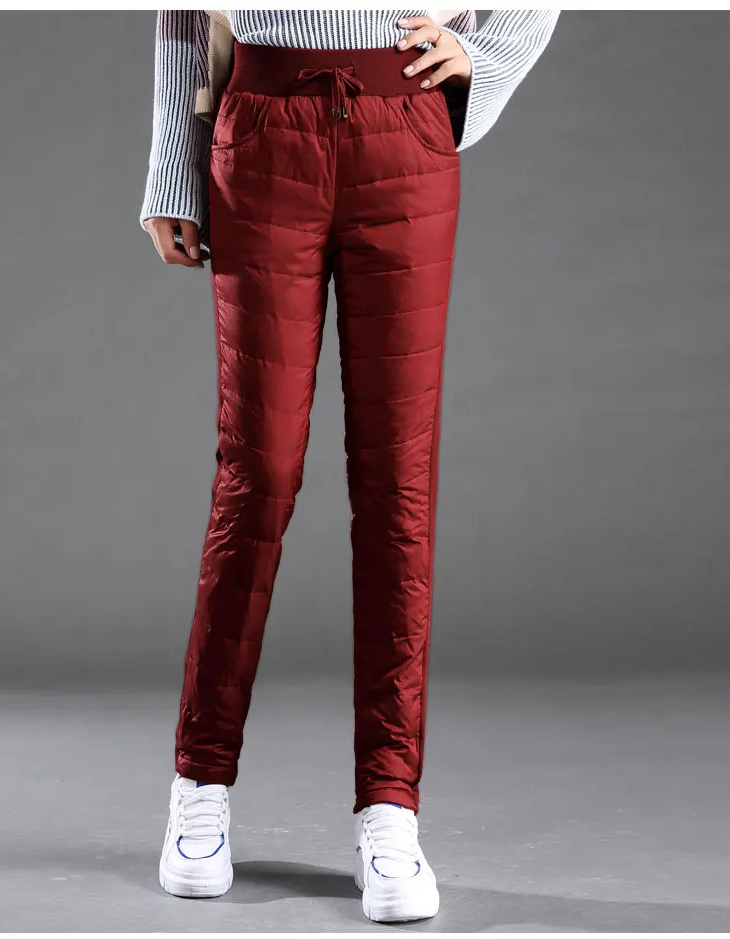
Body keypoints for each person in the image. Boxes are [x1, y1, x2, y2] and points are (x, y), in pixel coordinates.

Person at [140, 9, 559, 924]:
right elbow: (181, 16)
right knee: (257, 473)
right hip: (260, 130)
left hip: (403, 131)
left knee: (397, 480)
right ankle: (200, 783)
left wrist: (483, 54)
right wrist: (175, 162)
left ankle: (390, 807)